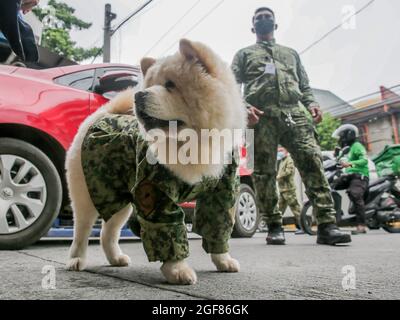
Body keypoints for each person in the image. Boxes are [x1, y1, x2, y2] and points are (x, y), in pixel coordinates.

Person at [231, 7, 351, 245]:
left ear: (275, 25)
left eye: (268, 17)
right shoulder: (244, 54)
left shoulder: (291, 54)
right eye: (258, 18)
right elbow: (231, 86)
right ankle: (274, 225)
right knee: (263, 173)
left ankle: (327, 225)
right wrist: (243, 107)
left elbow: (304, 84)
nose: (264, 19)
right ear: (253, 27)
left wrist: (312, 104)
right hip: (259, 117)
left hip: (294, 114)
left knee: (313, 162)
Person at [332, 124, 369, 235]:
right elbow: (344, 164)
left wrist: (349, 164)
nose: (340, 139)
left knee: (355, 194)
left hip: (360, 176)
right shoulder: (347, 149)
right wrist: (336, 156)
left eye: (341, 136)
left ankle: (361, 225)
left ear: (348, 135)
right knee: (331, 186)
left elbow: (364, 161)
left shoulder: (357, 146)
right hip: (349, 176)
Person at [276, 147, 304, 235]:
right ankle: (276, 227)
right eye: (278, 151)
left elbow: (289, 171)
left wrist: (279, 176)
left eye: (281, 151)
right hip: (282, 189)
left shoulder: (289, 160)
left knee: (296, 209)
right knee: (279, 210)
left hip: (288, 189)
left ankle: (302, 227)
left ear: (286, 151)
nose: (279, 152)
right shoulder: (282, 161)